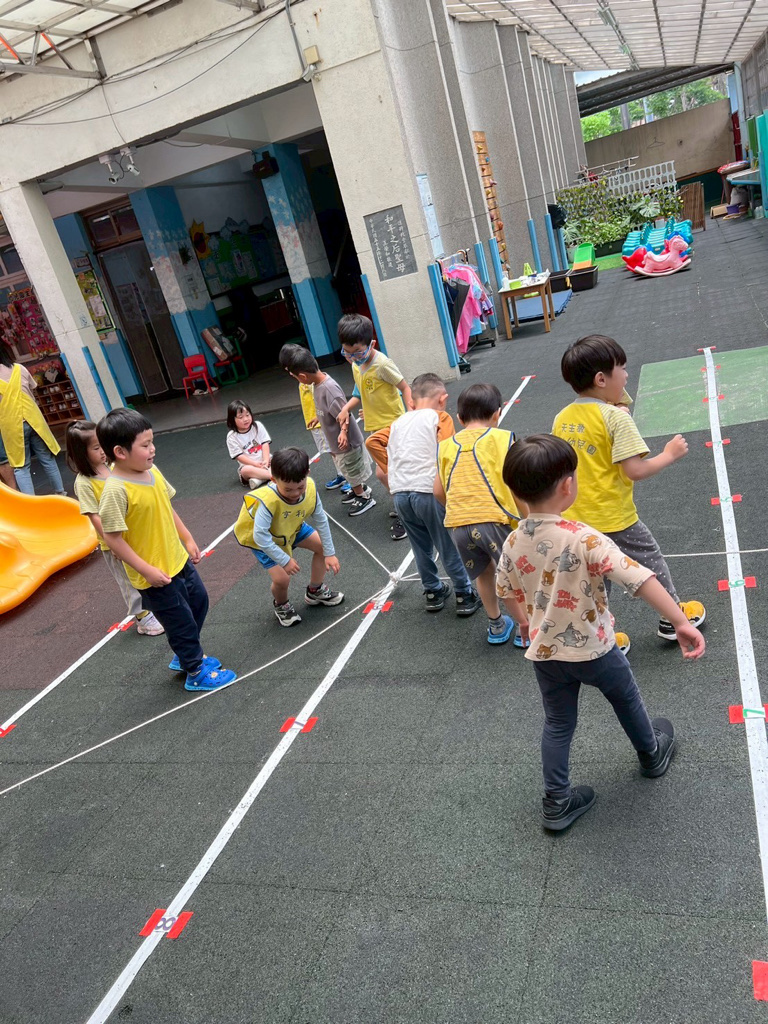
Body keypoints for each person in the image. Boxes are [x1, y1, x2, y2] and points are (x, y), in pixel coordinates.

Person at [496, 434, 705, 831]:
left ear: (515, 491)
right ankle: (651, 753)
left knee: (558, 723)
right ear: (567, 485)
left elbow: (506, 590)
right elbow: (639, 577)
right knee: (626, 699)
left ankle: (557, 800)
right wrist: (679, 620)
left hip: (546, 653)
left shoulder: (512, 540)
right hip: (596, 649)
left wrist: (524, 621)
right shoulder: (583, 537)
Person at [553, 335, 705, 648]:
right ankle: (672, 617)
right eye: (621, 368)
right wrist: (669, 454)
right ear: (601, 379)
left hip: (575, 519)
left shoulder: (562, 418)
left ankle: (601, 640)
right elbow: (634, 470)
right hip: (615, 518)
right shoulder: (614, 418)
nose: (626, 375)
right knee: (650, 562)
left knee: (593, 581)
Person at [97, 408, 236, 691]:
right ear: (120, 452)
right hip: (154, 574)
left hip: (177, 559)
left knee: (198, 602)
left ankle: (185, 654)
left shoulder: (151, 471)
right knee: (181, 621)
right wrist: (146, 570)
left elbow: (166, 507)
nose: (153, 449)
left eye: (152, 442)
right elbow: (112, 539)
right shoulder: (115, 490)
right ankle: (195, 671)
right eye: (145, 445)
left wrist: (187, 538)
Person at [434, 382, 524, 645]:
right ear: (497, 413)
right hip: (496, 519)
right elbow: (516, 485)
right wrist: (528, 518)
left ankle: (496, 625)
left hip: (459, 524)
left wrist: (458, 508)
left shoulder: (445, 446)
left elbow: (438, 490)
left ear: (459, 418)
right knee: (513, 574)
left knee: (484, 573)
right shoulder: (504, 438)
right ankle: (524, 627)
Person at [384, 372, 481, 615]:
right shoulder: (440, 417)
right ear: (443, 398)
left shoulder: (398, 422)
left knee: (420, 545)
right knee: (447, 544)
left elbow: (372, 441)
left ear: (411, 401)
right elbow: (448, 450)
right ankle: (464, 593)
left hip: (400, 493)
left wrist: (393, 472)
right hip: (428, 490)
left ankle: (432, 591)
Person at [66, 420, 164, 636]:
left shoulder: (113, 468)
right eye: (96, 448)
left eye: (102, 445)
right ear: (81, 453)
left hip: (133, 534)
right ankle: (143, 617)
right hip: (114, 542)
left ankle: (154, 605)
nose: (103, 451)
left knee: (143, 569)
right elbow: (95, 516)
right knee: (127, 579)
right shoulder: (84, 483)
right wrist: (113, 544)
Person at [234, 446, 343, 627]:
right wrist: (284, 560)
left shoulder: (309, 487)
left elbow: (321, 519)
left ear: (307, 474)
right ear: (273, 479)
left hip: (292, 527)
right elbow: (260, 536)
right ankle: (282, 605)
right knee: (282, 579)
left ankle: (315, 590)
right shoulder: (268, 501)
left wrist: (330, 553)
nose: (295, 494)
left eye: (300, 487)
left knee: (322, 547)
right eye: (288, 490)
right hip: (267, 539)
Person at [336, 314, 412, 540]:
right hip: (375, 428)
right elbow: (359, 392)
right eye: (347, 353)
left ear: (372, 344)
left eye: (358, 352)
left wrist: (411, 414)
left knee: (385, 472)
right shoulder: (356, 365)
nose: (353, 358)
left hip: (393, 426)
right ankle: (404, 505)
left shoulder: (382, 364)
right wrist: (346, 409)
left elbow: (405, 387)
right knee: (390, 473)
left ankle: (408, 512)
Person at [279, 343, 375, 517]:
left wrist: (344, 432)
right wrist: (319, 417)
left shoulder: (328, 389)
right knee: (346, 469)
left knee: (351, 469)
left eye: (296, 377)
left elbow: (344, 413)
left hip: (346, 442)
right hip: (336, 441)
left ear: (303, 376)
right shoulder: (317, 384)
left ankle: (363, 496)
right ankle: (359, 489)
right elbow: (327, 409)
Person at [0, 346, 66, 496]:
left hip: (12, 425)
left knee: (21, 467)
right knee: (47, 459)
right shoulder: (20, 368)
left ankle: (31, 502)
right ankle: (61, 493)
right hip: (35, 421)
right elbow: (32, 388)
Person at [295, 372, 346, 492]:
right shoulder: (303, 381)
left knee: (335, 450)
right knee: (332, 451)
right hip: (315, 421)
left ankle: (349, 477)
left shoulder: (311, 381)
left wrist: (320, 417)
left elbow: (320, 400)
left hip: (320, 421)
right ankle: (342, 474)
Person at [225, 399, 271, 489]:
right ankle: (274, 476)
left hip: (266, 461)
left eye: (247, 415)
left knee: (278, 458)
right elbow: (239, 456)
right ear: (232, 420)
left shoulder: (257, 426)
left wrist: (265, 460)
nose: (245, 419)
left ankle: (259, 480)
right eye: (240, 417)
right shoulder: (232, 436)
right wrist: (255, 464)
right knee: (245, 470)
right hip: (249, 465)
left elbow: (265, 443)